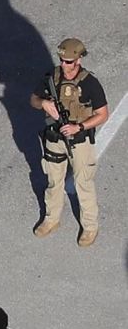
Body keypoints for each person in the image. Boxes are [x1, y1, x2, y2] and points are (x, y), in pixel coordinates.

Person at [30, 38, 110, 247]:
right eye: (62, 61)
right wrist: (44, 103)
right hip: (54, 138)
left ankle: (90, 227)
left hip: (79, 141)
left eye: (69, 61)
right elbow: (33, 99)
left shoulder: (90, 83)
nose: (65, 65)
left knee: (83, 183)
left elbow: (102, 114)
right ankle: (51, 219)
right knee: (54, 180)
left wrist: (79, 127)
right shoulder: (53, 78)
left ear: (79, 60)